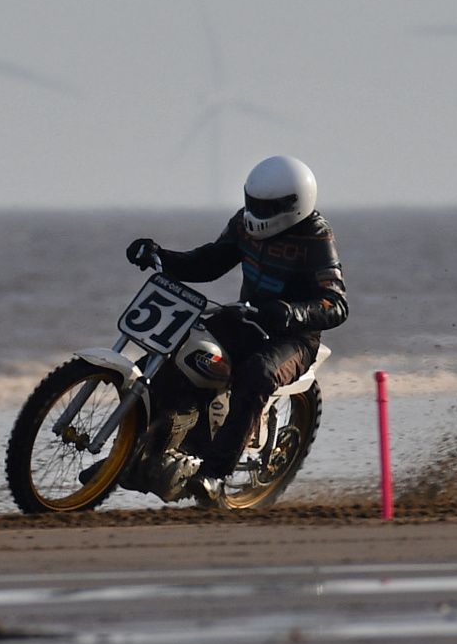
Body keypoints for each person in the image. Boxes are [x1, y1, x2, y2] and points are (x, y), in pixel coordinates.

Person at [125, 155, 348, 503]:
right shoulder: (244, 224)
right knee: (181, 347)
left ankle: (215, 475)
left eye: (267, 206)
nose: (257, 212)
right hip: (248, 317)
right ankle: (137, 454)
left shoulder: (316, 235)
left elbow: (334, 304)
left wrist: (289, 312)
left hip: (293, 337)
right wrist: (160, 256)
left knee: (257, 374)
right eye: (253, 203)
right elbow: (211, 261)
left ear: (295, 205)